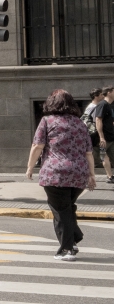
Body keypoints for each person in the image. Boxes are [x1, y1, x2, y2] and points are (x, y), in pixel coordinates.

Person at [25, 89, 95, 261]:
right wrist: (92, 174)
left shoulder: (47, 121)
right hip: (79, 173)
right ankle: (73, 238)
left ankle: (67, 249)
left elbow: (37, 146)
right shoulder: (80, 123)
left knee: (60, 211)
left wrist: (30, 167)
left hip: (55, 173)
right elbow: (88, 153)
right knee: (67, 207)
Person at [91, 87, 114, 184]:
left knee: (105, 157)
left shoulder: (110, 105)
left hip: (111, 137)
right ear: (109, 93)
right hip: (103, 138)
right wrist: (101, 137)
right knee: (99, 158)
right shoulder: (102, 104)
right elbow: (98, 120)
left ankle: (110, 176)